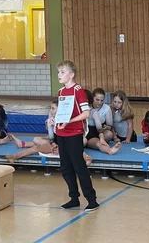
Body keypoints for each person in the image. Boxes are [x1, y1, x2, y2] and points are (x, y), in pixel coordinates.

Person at [54, 60, 98, 211]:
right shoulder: (61, 92)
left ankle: (91, 200)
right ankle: (74, 198)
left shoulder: (78, 90)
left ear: (71, 75)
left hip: (74, 133)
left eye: (62, 72)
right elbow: (62, 112)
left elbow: (86, 113)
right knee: (65, 167)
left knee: (79, 166)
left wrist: (69, 121)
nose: (59, 75)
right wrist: (56, 120)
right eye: (58, 72)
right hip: (61, 133)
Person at [6, 99, 94, 166]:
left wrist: (60, 146)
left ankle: (87, 158)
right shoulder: (51, 121)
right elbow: (52, 137)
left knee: (75, 147)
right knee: (36, 147)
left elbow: (70, 137)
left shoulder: (66, 120)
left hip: (67, 144)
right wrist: (54, 144)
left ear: (60, 109)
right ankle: (15, 157)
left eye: (53, 108)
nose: (51, 111)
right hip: (56, 144)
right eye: (50, 108)